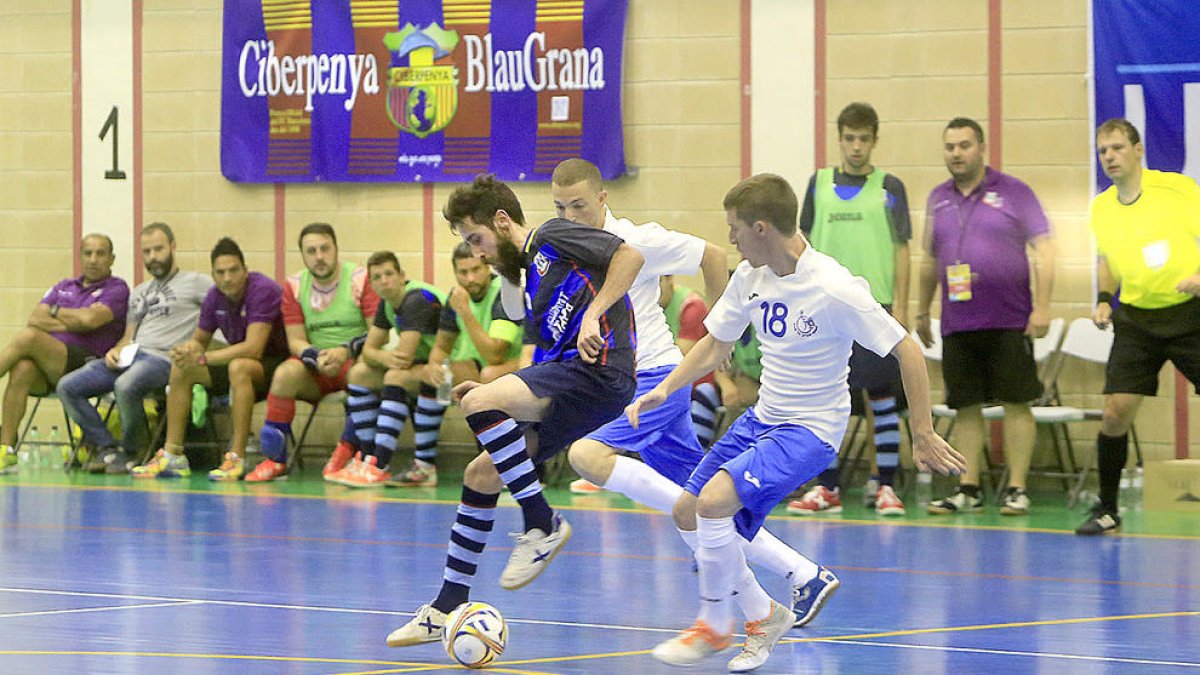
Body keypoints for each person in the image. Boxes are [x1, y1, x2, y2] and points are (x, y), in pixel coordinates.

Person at [628, 173, 965, 671]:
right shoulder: (750, 277)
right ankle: (763, 614)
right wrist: (663, 388)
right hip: (764, 417)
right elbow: (716, 343)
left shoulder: (833, 287)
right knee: (687, 510)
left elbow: (907, 350)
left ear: (762, 228)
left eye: (735, 229)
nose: (731, 240)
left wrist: (922, 430)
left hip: (811, 430)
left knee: (716, 501)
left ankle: (715, 624)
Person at [551, 158, 826, 627]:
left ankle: (743, 582)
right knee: (703, 507)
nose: (570, 216)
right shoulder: (563, 248)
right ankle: (804, 575)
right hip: (621, 383)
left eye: (579, 205)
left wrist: (724, 332)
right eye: (560, 207)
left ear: (602, 198)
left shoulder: (636, 241)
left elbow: (712, 255)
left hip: (655, 379)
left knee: (588, 456)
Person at [385, 174, 642, 648]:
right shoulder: (526, 283)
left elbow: (629, 256)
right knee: (482, 472)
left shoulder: (551, 234)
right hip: (574, 382)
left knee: (481, 397)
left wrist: (593, 313)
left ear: (503, 221)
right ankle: (444, 607)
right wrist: (508, 392)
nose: (476, 253)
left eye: (477, 239)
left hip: (601, 370)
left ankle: (541, 520)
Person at [915, 117, 1056, 517]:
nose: (956, 153)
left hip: (1009, 318)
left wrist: (1043, 307)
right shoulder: (938, 199)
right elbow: (929, 259)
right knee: (966, 406)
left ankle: (1016, 488)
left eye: (964, 145)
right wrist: (923, 310)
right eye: (950, 147)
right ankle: (968, 487)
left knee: (1016, 403)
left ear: (982, 148)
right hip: (959, 321)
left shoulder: (1014, 192)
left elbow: (1046, 249)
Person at [1076, 119, 1200, 535]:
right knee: (1114, 413)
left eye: (1116, 148)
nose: (1109, 157)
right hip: (1136, 319)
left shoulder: (1178, 191)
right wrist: (1102, 300)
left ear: (1138, 150)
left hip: (1190, 313)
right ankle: (1107, 510)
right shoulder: (1101, 208)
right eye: (1102, 151)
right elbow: (1106, 260)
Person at [790, 102, 913, 516]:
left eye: (864, 138)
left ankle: (888, 487)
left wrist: (902, 308)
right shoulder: (818, 184)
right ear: (839, 139)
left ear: (875, 140)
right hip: (824, 308)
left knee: (881, 397)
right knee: (825, 399)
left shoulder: (889, 187)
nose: (856, 146)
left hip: (873, 306)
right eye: (849, 138)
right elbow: (801, 241)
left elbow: (902, 250)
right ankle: (827, 486)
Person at [130, 238, 288, 480]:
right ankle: (173, 455)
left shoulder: (262, 289)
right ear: (213, 276)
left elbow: (254, 348)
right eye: (221, 272)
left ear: (245, 270)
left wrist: (205, 357)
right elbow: (198, 341)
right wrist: (186, 350)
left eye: (233, 270)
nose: (227, 278)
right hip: (240, 367)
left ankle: (236, 456)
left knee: (239, 366)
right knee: (183, 368)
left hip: (277, 367)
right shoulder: (214, 296)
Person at [59, 223, 212, 474]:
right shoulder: (139, 291)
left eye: (159, 249)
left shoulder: (196, 282)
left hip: (164, 359)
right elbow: (128, 336)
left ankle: (133, 451)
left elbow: (222, 312)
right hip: (132, 355)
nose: (153, 257)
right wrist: (115, 351)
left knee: (125, 385)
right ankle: (107, 447)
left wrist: (200, 347)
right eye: (147, 252)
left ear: (173, 248)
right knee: (68, 386)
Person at [245, 222, 380, 482]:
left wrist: (343, 351)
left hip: (352, 361)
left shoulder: (360, 279)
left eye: (324, 249)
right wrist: (316, 357)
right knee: (285, 373)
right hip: (317, 364)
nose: (319, 257)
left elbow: (376, 332)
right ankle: (275, 459)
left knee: (363, 373)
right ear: (303, 255)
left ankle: (345, 452)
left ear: (336, 249)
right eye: (311, 251)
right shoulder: (294, 285)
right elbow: (295, 340)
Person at [0, 234, 129, 472]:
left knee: (29, 337)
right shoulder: (64, 286)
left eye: (100, 253)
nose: (93, 259)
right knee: (22, 368)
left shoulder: (117, 288)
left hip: (88, 364)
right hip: (53, 362)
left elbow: (90, 320)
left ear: (111, 259)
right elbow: (35, 318)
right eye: (88, 253)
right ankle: (6, 451)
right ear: (80, 256)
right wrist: (73, 320)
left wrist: (56, 312)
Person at [328, 251, 446, 488]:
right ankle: (367, 456)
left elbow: (403, 358)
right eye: (377, 277)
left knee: (395, 376)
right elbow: (368, 353)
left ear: (402, 276)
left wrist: (383, 357)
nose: (384, 280)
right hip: (426, 368)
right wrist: (383, 356)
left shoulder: (416, 299)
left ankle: (379, 464)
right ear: (371, 284)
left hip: (451, 372)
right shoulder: (388, 304)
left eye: (389, 274)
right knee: (359, 373)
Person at [658, 274, 739, 449]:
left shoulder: (691, 306)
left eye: (657, 284)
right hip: (672, 380)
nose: (654, 294)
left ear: (669, 278)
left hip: (697, 381)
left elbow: (679, 357)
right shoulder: (649, 306)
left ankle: (691, 455)